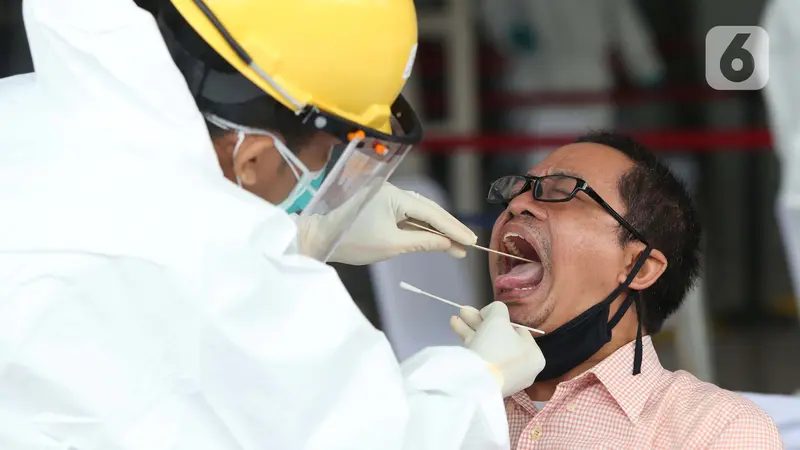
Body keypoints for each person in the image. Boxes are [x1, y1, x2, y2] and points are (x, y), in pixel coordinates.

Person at [0, 0, 546, 448]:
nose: (333, 186)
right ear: (255, 158)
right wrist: (476, 384)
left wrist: (311, 227)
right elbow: (373, 438)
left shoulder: (33, 106)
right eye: (332, 164)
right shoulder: (217, 259)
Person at [451, 132, 783, 448]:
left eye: (563, 190)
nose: (518, 204)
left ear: (638, 266)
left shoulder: (716, 429)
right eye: (516, 191)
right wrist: (460, 391)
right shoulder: (448, 399)